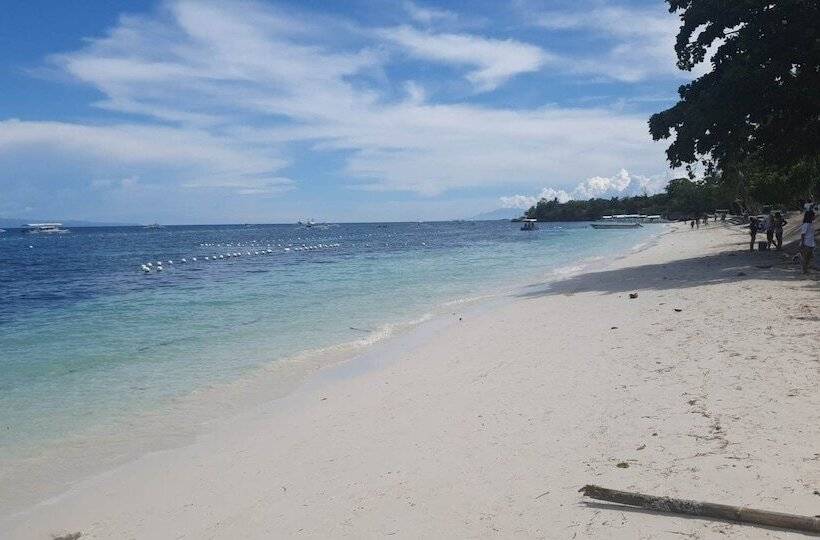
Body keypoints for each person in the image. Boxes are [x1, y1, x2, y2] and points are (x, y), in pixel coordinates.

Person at [800, 210, 816, 274]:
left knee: (809, 257)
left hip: (811, 243)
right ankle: (803, 270)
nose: (814, 217)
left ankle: (805, 269)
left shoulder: (811, 224)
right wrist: (802, 243)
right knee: (805, 258)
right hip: (806, 243)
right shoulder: (806, 225)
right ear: (810, 216)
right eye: (813, 215)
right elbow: (802, 235)